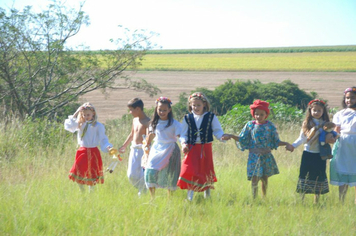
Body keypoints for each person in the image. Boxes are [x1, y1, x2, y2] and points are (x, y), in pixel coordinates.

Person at [227, 100, 293, 199]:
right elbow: (242, 138)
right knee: (254, 178)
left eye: (261, 114)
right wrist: (231, 136)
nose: (258, 116)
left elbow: (275, 141)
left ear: (266, 114)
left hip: (266, 155)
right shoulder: (250, 125)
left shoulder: (270, 126)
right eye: (256, 114)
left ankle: (264, 198)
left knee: (265, 178)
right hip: (254, 156)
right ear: (253, 114)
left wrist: (286, 144)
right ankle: (254, 198)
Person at [177, 92, 229, 201]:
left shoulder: (211, 117)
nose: (196, 107)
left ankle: (207, 195)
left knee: (205, 170)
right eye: (193, 105)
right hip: (191, 148)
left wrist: (222, 137)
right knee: (189, 170)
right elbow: (183, 134)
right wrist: (183, 143)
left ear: (204, 104)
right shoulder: (187, 118)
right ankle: (189, 197)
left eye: (198, 105)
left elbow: (217, 131)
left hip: (205, 148)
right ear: (190, 105)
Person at [287, 99, 334, 204]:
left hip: (320, 154)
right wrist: (293, 146)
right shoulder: (307, 123)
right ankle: (301, 200)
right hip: (308, 153)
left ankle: (316, 201)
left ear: (323, 112)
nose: (316, 113)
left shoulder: (326, 124)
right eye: (314, 110)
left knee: (318, 175)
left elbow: (331, 136)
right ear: (310, 110)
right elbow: (302, 138)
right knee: (304, 175)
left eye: (319, 110)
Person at [64, 102, 113, 192]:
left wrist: (108, 147)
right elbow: (69, 126)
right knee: (79, 170)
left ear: (93, 114)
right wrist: (77, 112)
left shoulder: (98, 126)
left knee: (92, 172)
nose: (86, 117)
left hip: (93, 151)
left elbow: (103, 139)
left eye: (88, 115)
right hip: (82, 151)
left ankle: (92, 192)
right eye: (84, 115)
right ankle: (82, 191)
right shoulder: (80, 124)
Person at [144, 97, 181, 200]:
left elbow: (180, 135)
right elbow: (150, 137)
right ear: (156, 109)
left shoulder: (175, 123)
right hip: (157, 148)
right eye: (160, 109)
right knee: (150, 171)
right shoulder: (153, 123)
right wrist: (148, 142)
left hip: (171, 148)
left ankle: (170, 198)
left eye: (164, 110)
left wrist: (184, 144)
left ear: (169, 110)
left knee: (171, 173)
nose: (162, 112)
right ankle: (152, 197)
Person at [330, 87, 356, 203]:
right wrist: (332, 138)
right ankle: (341, 200)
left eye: (352, 98)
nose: (349, 100)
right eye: (347, 98)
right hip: (343, 144)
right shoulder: (340, 114)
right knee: (343, 170)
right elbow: (337, 130)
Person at [119, 98, 150, 196]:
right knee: (131, 174)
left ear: (138, 109)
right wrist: (124, 146)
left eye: (131, 110)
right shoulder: (135, 120)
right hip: (134, 149)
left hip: (143, 151)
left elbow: (150, 138)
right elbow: (132, 134)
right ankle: (141, 189)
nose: (130, 112)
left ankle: (143, 192)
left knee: (142, 174)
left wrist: (147, 151)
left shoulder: (148, 122)